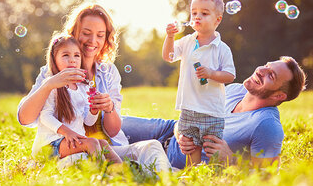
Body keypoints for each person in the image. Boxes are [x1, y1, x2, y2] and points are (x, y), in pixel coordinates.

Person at [18, 3, 171, 171]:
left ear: (106, 39)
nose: (93, 41)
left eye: (100, 35)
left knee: (152, 147)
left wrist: (108, 108)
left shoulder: (108, 72)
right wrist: (48, 85)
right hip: (70, 151)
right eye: (86, 33)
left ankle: (166, 183)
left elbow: (111, 131)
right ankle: (115, 176)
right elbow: (25, 119)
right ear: (74, 33)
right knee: (84, 161)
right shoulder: (53, 72)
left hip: (107, 148)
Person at [121, 56, 306, 169]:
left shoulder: (267, 125)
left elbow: (267, 178)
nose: (260, 71)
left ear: (279, 95)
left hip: (172, 159)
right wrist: (180, 131)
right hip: (168, 130)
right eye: (266, 65)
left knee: (107, 153)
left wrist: (231, 159)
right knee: (107, 122)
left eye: (271, 75)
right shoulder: (235, 89)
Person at [162, 0, 235, 166]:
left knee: (212, 148)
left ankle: (216, 175)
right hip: (189, 107)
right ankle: (194, 175)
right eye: (194, 13)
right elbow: (169, 56)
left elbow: (230, 75)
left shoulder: (221, 49)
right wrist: (170, 37)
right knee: (190, 146)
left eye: (204, 13)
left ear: (217, 20)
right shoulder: (187, 41)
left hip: (211, 110)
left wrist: (211, 73)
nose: (197, 17)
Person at [33, 34, 122, 163]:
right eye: (65, 55)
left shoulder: (82, 88)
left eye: (76, 55)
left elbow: (89, 122)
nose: (72, 60)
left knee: (102, 143)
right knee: (91, 143)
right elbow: (45, 116)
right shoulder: (51, 84)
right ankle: (103, 175)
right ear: (54, 59)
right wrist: (67, 132)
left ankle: (123, 172)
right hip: (50, 144)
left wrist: (93, 110)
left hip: (72, 141)